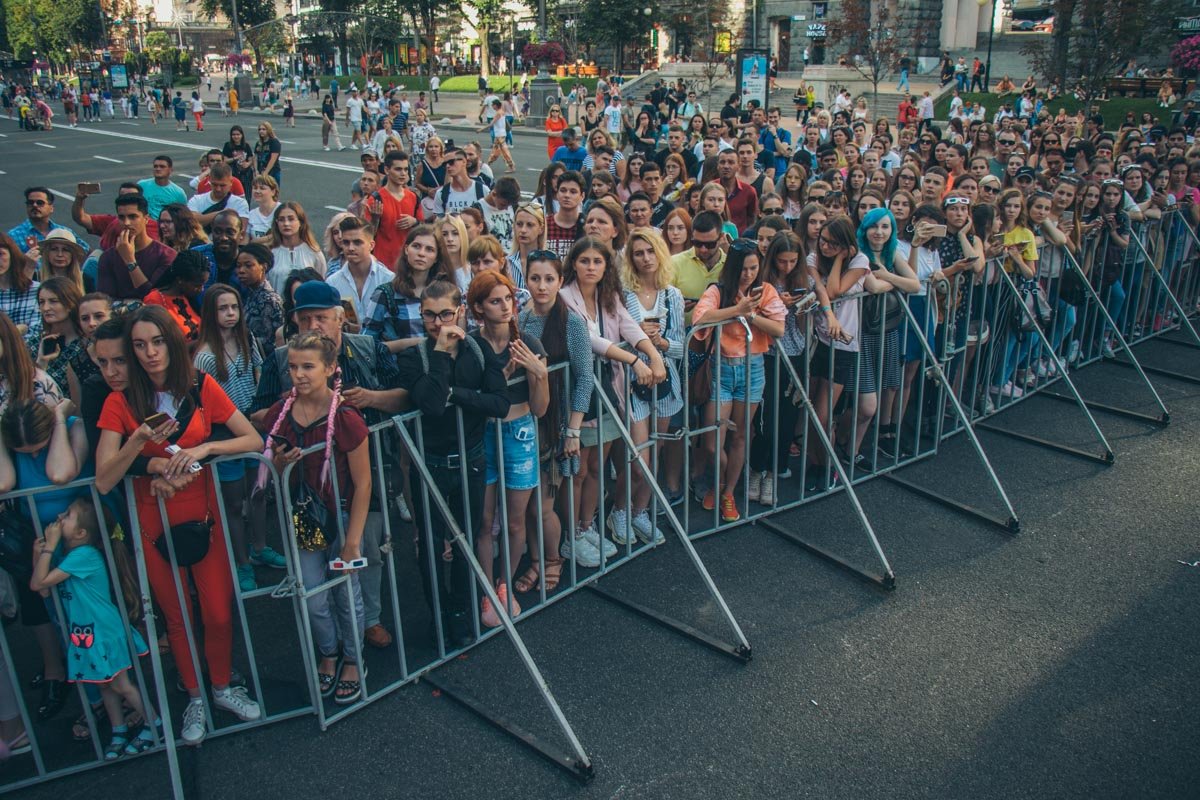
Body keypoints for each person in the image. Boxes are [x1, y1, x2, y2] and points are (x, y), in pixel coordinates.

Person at [95, 305, 265, 746]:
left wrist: (205, 449)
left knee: (218, 610)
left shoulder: (200, 384)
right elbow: (104, 478)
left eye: (157, 341)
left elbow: (252, 437)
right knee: (177, 617)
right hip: (152, 521)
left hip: (204, 514)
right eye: (139, 345)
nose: (150, 352)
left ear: (172, 341)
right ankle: (194, 696)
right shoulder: (120, 401)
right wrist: (141, 447)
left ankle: (222, 686)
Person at [396, 279, 509, 645]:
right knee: (430, 547)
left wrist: (457, 394)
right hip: (429, 465)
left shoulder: (478, 349)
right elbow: (430, 404)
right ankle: (439, 613)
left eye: (445, 313)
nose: (437, 323)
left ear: (460, 311)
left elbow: (500, 403)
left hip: (471, 462)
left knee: (465, 541)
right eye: (429, 315)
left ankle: (460, 610)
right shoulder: (414, 357)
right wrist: (442, 354)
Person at [261, 332, 371, 702]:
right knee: (312, 595)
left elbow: (363, 482)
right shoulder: (280, 414)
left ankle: (353, 659)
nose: (299, 374)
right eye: (293, 367)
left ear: (330, 368)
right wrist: (280, 463)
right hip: (305, 516)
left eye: (308, 366)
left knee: (346, 592)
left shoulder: (346, 417)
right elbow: (274, 474)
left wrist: (353, 541)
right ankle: (328, 653)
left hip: (341, 515)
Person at [558, 237, 666, 557]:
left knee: (597, 467)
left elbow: (629, 326)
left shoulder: (609, 296)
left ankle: (587, 526)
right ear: (574, 264)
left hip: (608, 389)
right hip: (579, 391)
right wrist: (634, 360)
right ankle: (571, 536)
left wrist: (653, 356)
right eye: (585, 261)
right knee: (577, 471)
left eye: (598, 261)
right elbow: (588, 340)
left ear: (607, 266)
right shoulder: (563, 298)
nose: (591, 267)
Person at [468, 270, 548, 625]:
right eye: (495, 301)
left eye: (508, 299)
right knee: (485, 522)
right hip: (482, 434)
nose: (505, 307)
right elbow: (471, 399)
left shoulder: (528, 342)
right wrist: (500, 378)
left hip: (520, 433)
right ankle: (487, 590)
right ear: (478, 308)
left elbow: (540, 409)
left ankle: (504, 585)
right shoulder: (471, 345)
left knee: (515, 522)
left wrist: (538, 374)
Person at [690, 238, 786, 520]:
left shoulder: (765, 291)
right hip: (720, 368)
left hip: (752, 368)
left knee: (741, 435)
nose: (749, 274)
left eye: (754, 268)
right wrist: (736, 310)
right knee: (712, 442)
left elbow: (779, 329)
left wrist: (750, 315)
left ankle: (728, 493)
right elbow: (700, 318)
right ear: (733, 267)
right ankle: (719, 484)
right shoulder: (718, 290)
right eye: (743, 268)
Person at [96, 195, 178, 302]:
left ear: (146, 219)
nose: (126, 223)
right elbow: (105, 300)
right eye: (121, 217)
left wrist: (130, 261)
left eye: (133, 217)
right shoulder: (108, 257)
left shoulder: (167, 255)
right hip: (118, 312)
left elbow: (154, 298)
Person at [325, 217, 394, 325]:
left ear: (371, 245)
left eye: (357, 242)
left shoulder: (388, 279)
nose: (351, 248)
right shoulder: (332, 282)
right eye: (346, 242)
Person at [363, 151, 423, 270]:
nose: (403, 173)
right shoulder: (376, 199)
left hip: (407, 262)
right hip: (383, 263)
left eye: (406, 169)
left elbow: (424, 229)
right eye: (398, 169)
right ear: (387, 170)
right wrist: (375, 219)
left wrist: (415, 222)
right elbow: (366, 236)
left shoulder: (413, 197)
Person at [143, 251, 207, 342]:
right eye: (197, 285)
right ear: (180, 280)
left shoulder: (191, 297)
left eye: (203, 285)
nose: (201, 289)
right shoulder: (154, 300)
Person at [267, 202, 327, 291]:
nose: (286, 223)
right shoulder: (270, 253)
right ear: (277, 223)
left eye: (291, 219)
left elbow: (323, 283)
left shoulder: (314, 252)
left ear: (300, 222)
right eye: (281, 220)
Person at [186, 164, 251, 230]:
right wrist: (224, 213)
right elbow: (193, 222)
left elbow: (242, 230)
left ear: (231, 182)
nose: (218, 189)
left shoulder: (240, 203)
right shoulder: (196, 200)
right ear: (209, 180)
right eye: (214, 184)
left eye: (222, 185)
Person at [0, 232, 41, 330]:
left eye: (0, 254)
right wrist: (19, 330)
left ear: (12, 255)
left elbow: (36, 331)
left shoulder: (36, 290)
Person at [137, 156, 189, 222]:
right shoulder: (141, 185)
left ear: (170, 170)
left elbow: (183, 215)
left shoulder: (178, 193)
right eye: (155, 166)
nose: (158, 169)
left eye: (162, 166)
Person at [247, 176, 281, 240]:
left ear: (273, 192)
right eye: (255, 188)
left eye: (262, 188)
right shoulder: (251, 214)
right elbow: (245, 241)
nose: (257, 191)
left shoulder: (282, 210)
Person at [255, 122, 283, 188]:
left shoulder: (274, 141)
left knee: (272, 191)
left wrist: (266, 172)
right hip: (260, 172)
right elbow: (255, 157)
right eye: (259, 129)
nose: (261, 131)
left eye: (263, 129)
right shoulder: (259, 143)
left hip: (273, 172)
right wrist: (256, 170)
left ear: (269, 130)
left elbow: (273, 158)